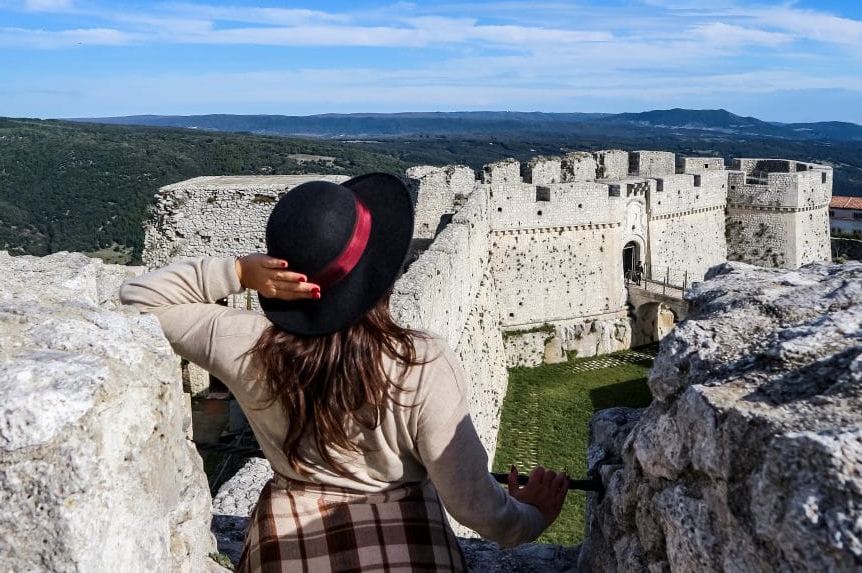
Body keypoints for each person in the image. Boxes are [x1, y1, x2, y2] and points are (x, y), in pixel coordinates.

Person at [121, 174, 568, 571]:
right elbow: (474, 506)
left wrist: (237, 272)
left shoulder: (246, 346)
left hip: (285, 545)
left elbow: (139, 298)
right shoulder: (421, 361)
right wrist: (530, 517)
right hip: (409, 548)